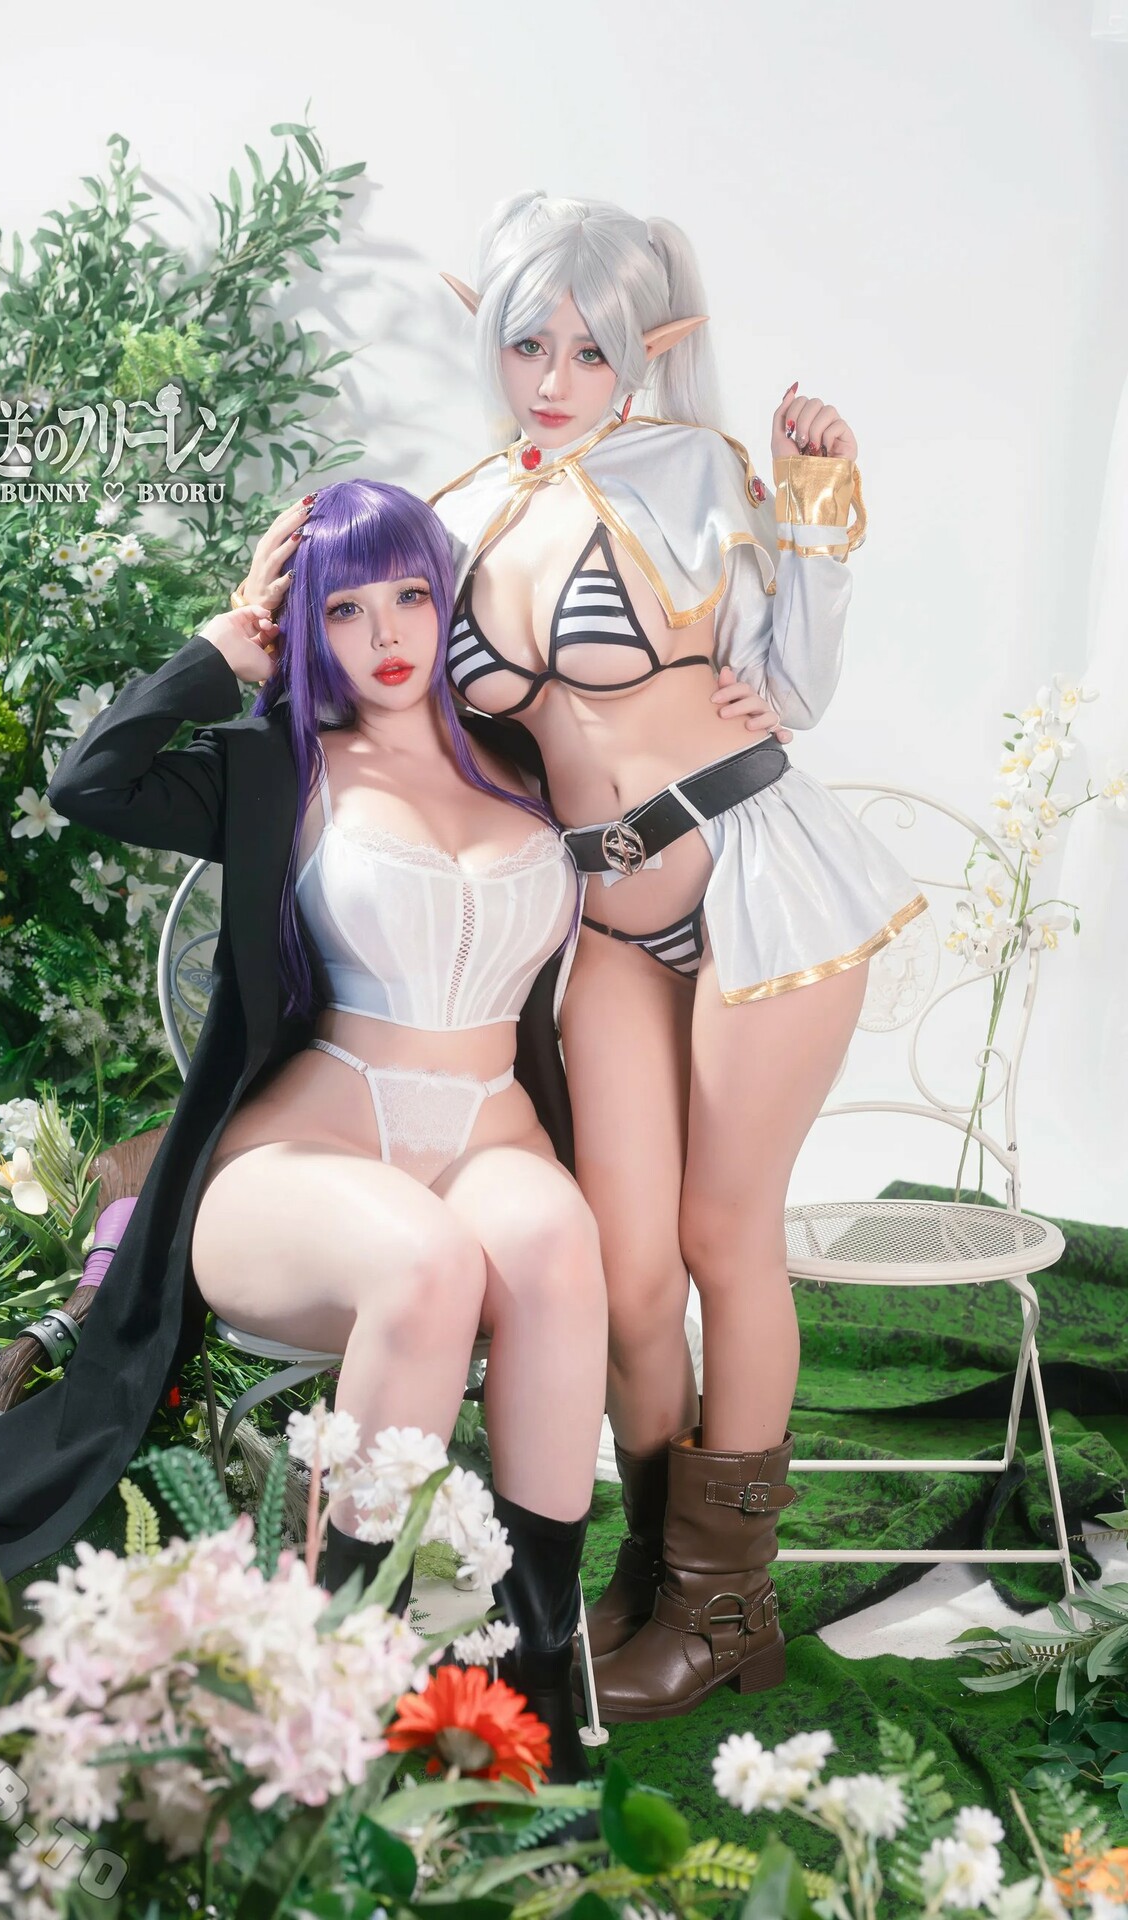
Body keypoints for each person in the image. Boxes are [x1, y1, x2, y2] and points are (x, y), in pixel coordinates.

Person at [0, 479, 614, 1780]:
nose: (387, 633)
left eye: (412, 595)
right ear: (306, 625)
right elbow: (91, 784)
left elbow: (656, 837)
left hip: (490, 1138)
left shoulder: (524, 757)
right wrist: (219, 654)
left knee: (557, 1247)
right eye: (345, 608)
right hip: (302, 1156)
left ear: (448, 600)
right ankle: (336, 1678)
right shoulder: (279, 765)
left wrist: (740, 713)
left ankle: (536, 1675)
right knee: (423, 1264)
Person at [419, 192, 930, 1722]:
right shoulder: (454, 513)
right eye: (530, 342)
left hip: (761, 883)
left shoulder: (697, 473)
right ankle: (653, 1578)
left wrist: (814, 507)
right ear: (487, 334)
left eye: (595, 350)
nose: (556, 377)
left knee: (721, 1235)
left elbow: (795, 690)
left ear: (655, 348)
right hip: (604, 921)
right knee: (626, 1270)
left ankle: (724, 1611)